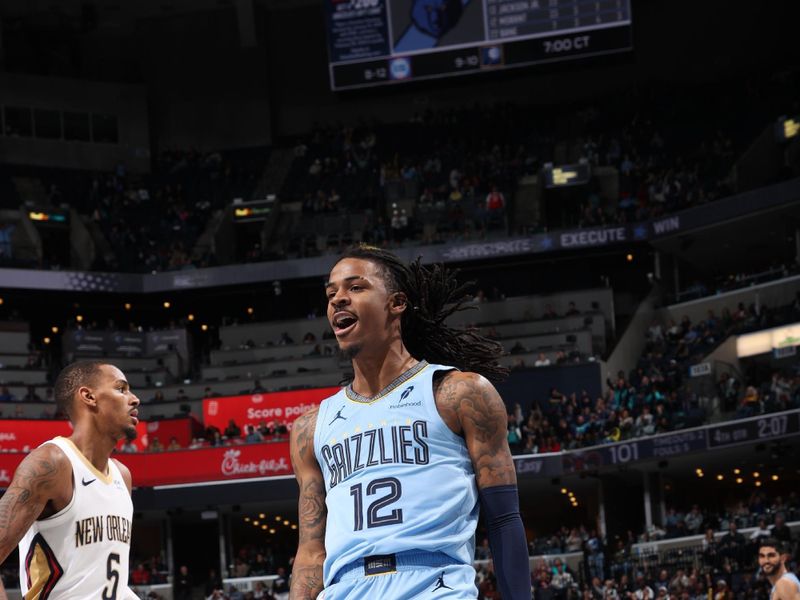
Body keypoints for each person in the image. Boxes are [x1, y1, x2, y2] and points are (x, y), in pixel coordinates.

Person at [290, 245, 530, 599]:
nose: (338, 299)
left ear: (396, 303)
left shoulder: (458, 394)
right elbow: (311, 553)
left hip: (434, 585)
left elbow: (504, 519)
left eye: (356, 287)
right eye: (331, 293)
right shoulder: (310, 429)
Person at [0, 360, 140, 599]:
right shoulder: (52, 463)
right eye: (121, 388)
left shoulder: (122, 476)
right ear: (88, 396)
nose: (135, 398)